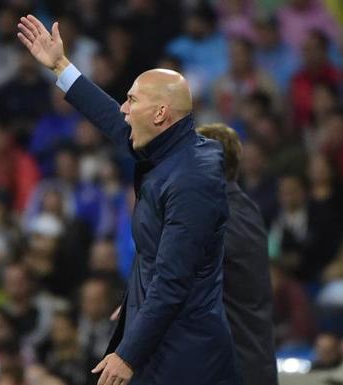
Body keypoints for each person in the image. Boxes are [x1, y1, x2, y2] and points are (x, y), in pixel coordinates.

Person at [17, 15, 239, 385]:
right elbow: (111, 120)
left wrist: (127, 355)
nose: (123, 108)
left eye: (131, 100)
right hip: (164, 342)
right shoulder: (168, 148)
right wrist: (61, 65)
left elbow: (172, 279)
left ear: (160, 114)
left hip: (187, 359)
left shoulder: (191, 180)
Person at [196, 123, 278, 385]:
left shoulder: (221, 215)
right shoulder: (244, 206)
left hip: (237, 367)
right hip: (247, 361)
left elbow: (183, 278)